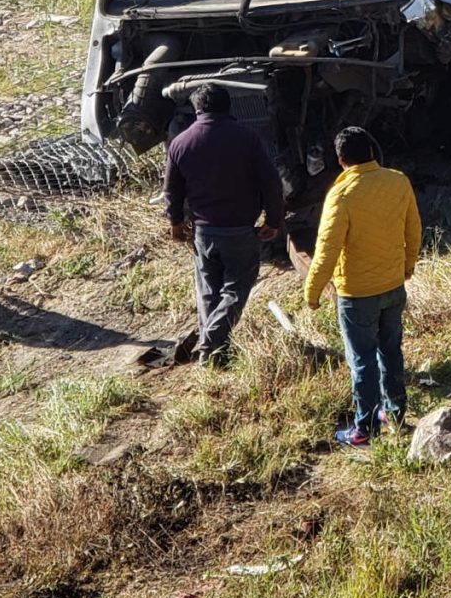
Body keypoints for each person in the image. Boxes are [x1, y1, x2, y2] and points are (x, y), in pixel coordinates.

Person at [304, 127, 421, 446]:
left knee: (362, 361)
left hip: (357, 295)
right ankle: (395, 414)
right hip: (394, 285)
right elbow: (414, 229)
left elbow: (327, 248)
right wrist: (407, 266)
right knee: (391, 351)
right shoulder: (398, 180)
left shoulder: (341, 194)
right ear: (372, 151)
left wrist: (312, 292)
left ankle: (364, 429)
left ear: (340, 159)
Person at [162, 82, 287, 366]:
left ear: (197, 109)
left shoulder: (180, 143)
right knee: (236, 289)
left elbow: (172, 189)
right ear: (228, 107)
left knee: (208, 291)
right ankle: (211, 341)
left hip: (203, 233)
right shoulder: (247, 138)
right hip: (240, 230)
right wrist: (274, 219)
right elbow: (271, 183)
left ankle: (212, 356)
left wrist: (176, 222)